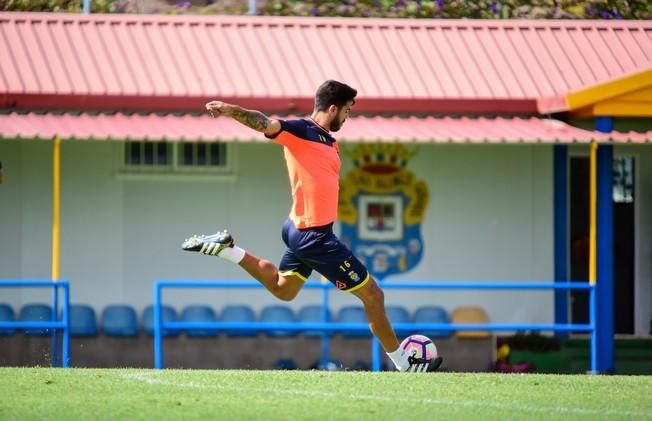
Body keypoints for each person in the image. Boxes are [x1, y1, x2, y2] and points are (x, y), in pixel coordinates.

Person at [182, 80, 442, 373]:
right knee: (373, 295)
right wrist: (231, 110)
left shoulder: (328, 139)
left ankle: (228, 249)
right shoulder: (301, 131)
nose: (347, 117)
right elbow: (264, 122)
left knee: (284, 290)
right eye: (346, 111)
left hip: (301, 229)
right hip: (313, 236)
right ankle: (404, 363)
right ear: (332, 109)